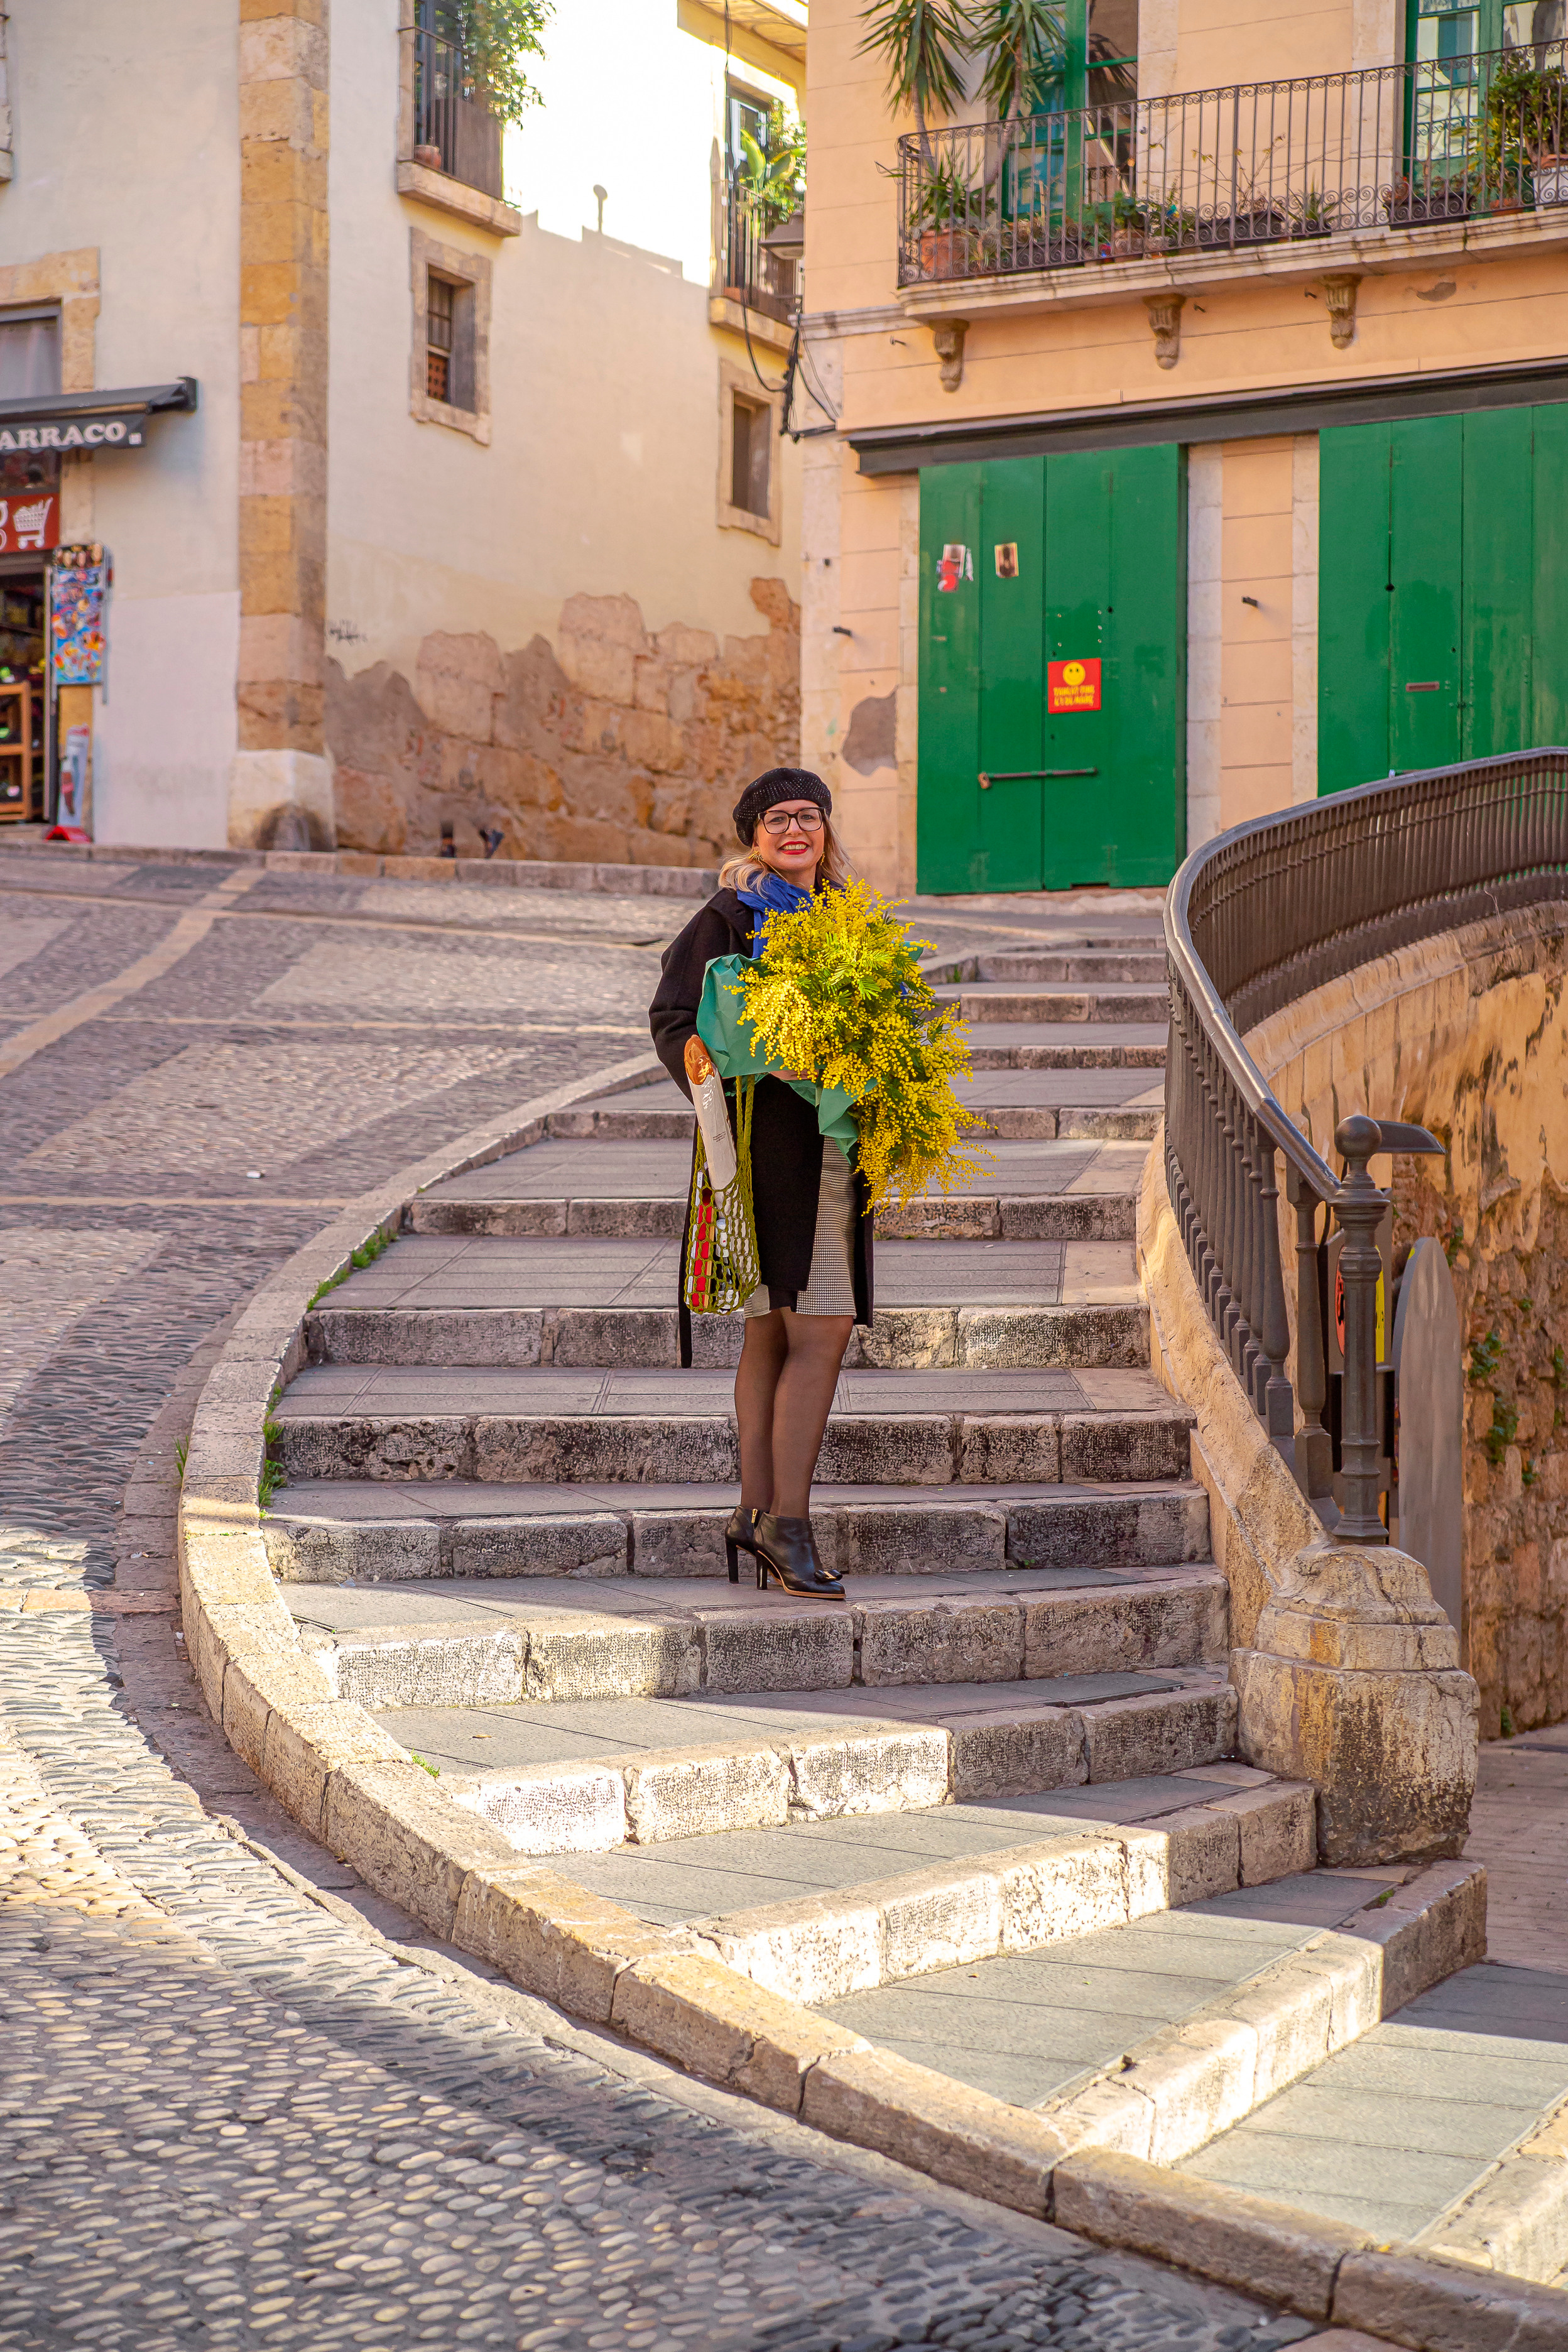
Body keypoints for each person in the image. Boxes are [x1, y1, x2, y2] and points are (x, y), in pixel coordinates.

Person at [648, 767, 872, 1602]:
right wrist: (707, 1064)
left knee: (778, 1335)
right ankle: (789, 1524)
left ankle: (755, 1513)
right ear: (752, 835)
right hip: (762, 1146)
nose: (795, 831)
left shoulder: (849, 919)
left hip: (833, 1144)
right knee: (819, 1325)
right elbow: (674, 1016)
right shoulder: (731, 915)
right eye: (776, 820)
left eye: (808, 816)